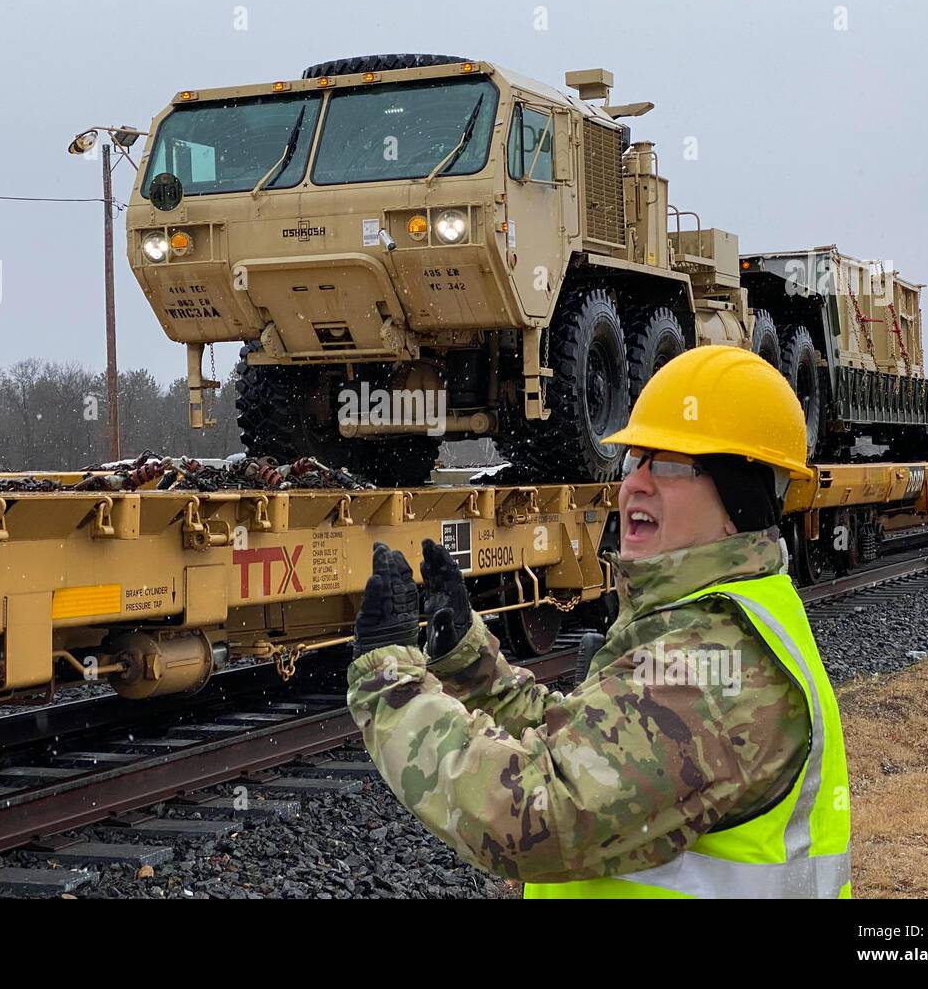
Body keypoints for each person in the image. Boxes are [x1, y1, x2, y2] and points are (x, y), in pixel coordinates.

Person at [346, 345, 851, 898]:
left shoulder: (714, 669)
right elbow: (589, 748)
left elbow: (530, 819)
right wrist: (470, 669)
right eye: (635, 461)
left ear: (742, 503)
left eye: (674, 466)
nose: (636, 484)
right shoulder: (703, 622)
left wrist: (389, 683)